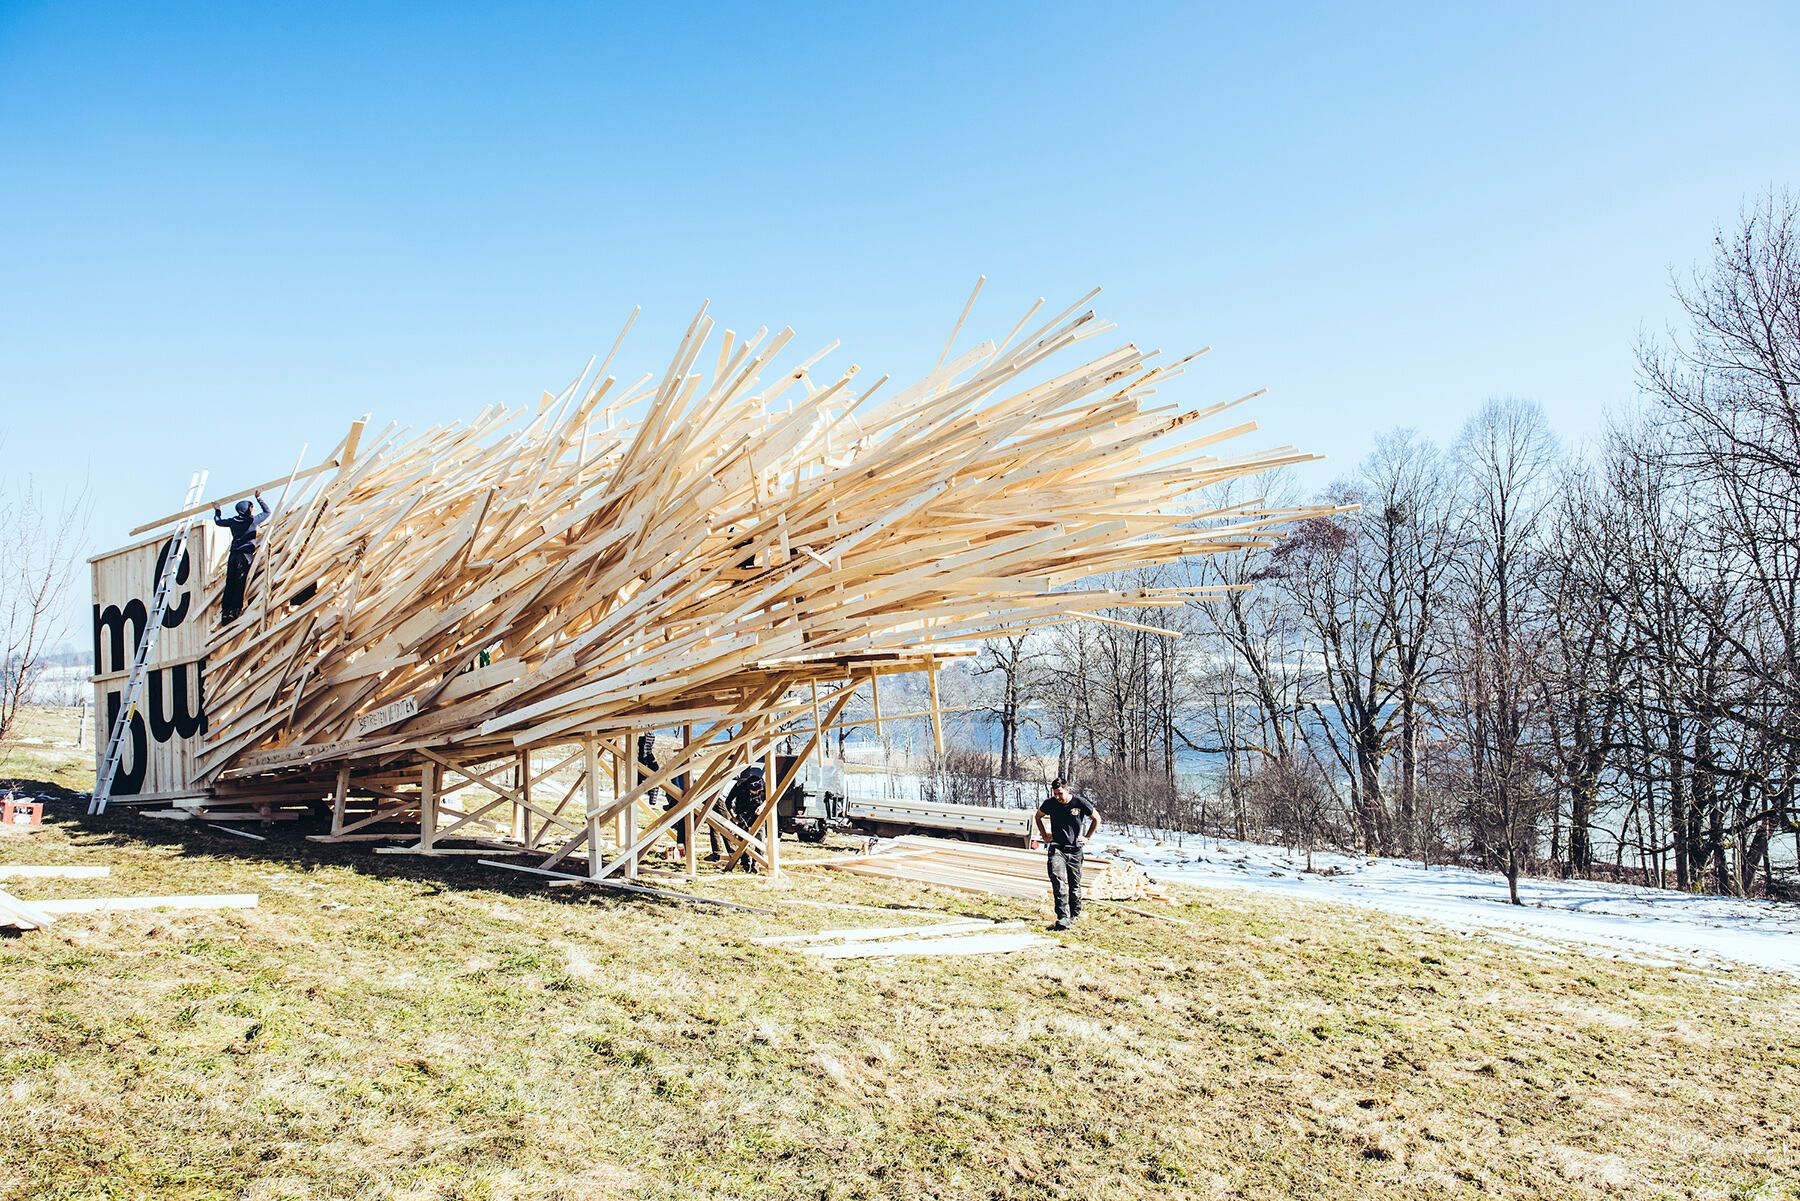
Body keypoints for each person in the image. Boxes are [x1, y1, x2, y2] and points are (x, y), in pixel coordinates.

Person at [1034, 778, 1099, 930]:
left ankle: (1074, 915)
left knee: (1074, 885)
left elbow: (1097, 818)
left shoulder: (1080, 803)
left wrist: (1087, 837)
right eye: (1055, 794)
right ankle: (1062, 917)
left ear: (1067, 789)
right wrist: (1044, 835)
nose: (1057, 797)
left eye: (1060, 793)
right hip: (1057, 848)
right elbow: (1038, 816)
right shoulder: (1050, 803)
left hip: (1075, 850)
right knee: (1058, 881)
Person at [213, 492, 271, 624]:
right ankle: (235, 610)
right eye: (251, 507)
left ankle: (226, 612)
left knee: (230, 582)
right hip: (244, 555)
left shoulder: (233, 521)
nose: (253, 510)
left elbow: (218, 522)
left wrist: (217, 510)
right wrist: (259, 498)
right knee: (239, 582)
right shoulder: (251, 521)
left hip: (233, 555)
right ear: (247, 509)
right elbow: (267, 512)